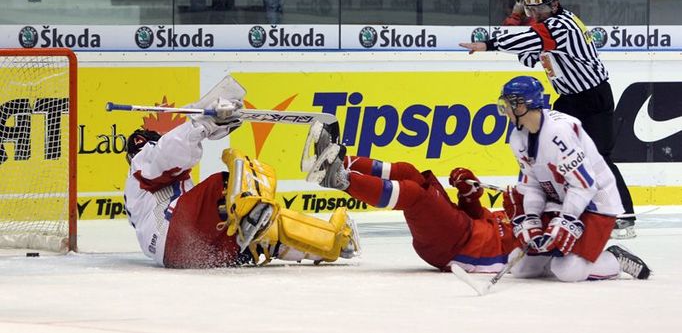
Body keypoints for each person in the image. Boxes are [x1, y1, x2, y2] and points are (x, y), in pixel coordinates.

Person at [459, 0, 636, 239]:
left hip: (592, 97)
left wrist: (488, 43)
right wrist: (516, 17)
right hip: (568, 98)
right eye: (530, 11)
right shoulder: (544, 25)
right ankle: (572, 208)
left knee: (599, 157)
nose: (535, 15)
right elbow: (524, 49)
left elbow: (525, 39)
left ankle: (624, 216)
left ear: (554, 4)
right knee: (554, 151)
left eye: (538, 9)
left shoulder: (563, 25)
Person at [123, 76, 360, 268]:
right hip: (172, 233)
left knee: (264, 235)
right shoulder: (141, 164)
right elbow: (166, 154)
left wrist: (210, 127)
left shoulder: (147, 190)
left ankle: (334, 242)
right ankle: (250, 217)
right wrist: (201, 125)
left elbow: (178, 158)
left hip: (187, 254)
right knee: (226, 183)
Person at [301, 121, 518, 272]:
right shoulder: (530, 206)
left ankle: (341, 179)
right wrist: (469, 195)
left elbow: (535, 259)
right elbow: (482, 219)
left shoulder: (542, 231)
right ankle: (335, 160)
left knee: (415, 196)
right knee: (408, 172)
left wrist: (535, 226)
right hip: (464, 228)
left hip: (459, 247)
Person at [496, 76, 650, 281]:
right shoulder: (517, 138)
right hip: (560, 201)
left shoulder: (559, 132)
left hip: (595, 204)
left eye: (509, 103)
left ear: (525, 104)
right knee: (523, 268)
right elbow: (532, 184)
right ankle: (567, 256)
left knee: (567, 272)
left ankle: (614, 258)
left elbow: (585, 185)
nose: (505, 109)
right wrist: (532, 218)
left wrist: (566, 220)